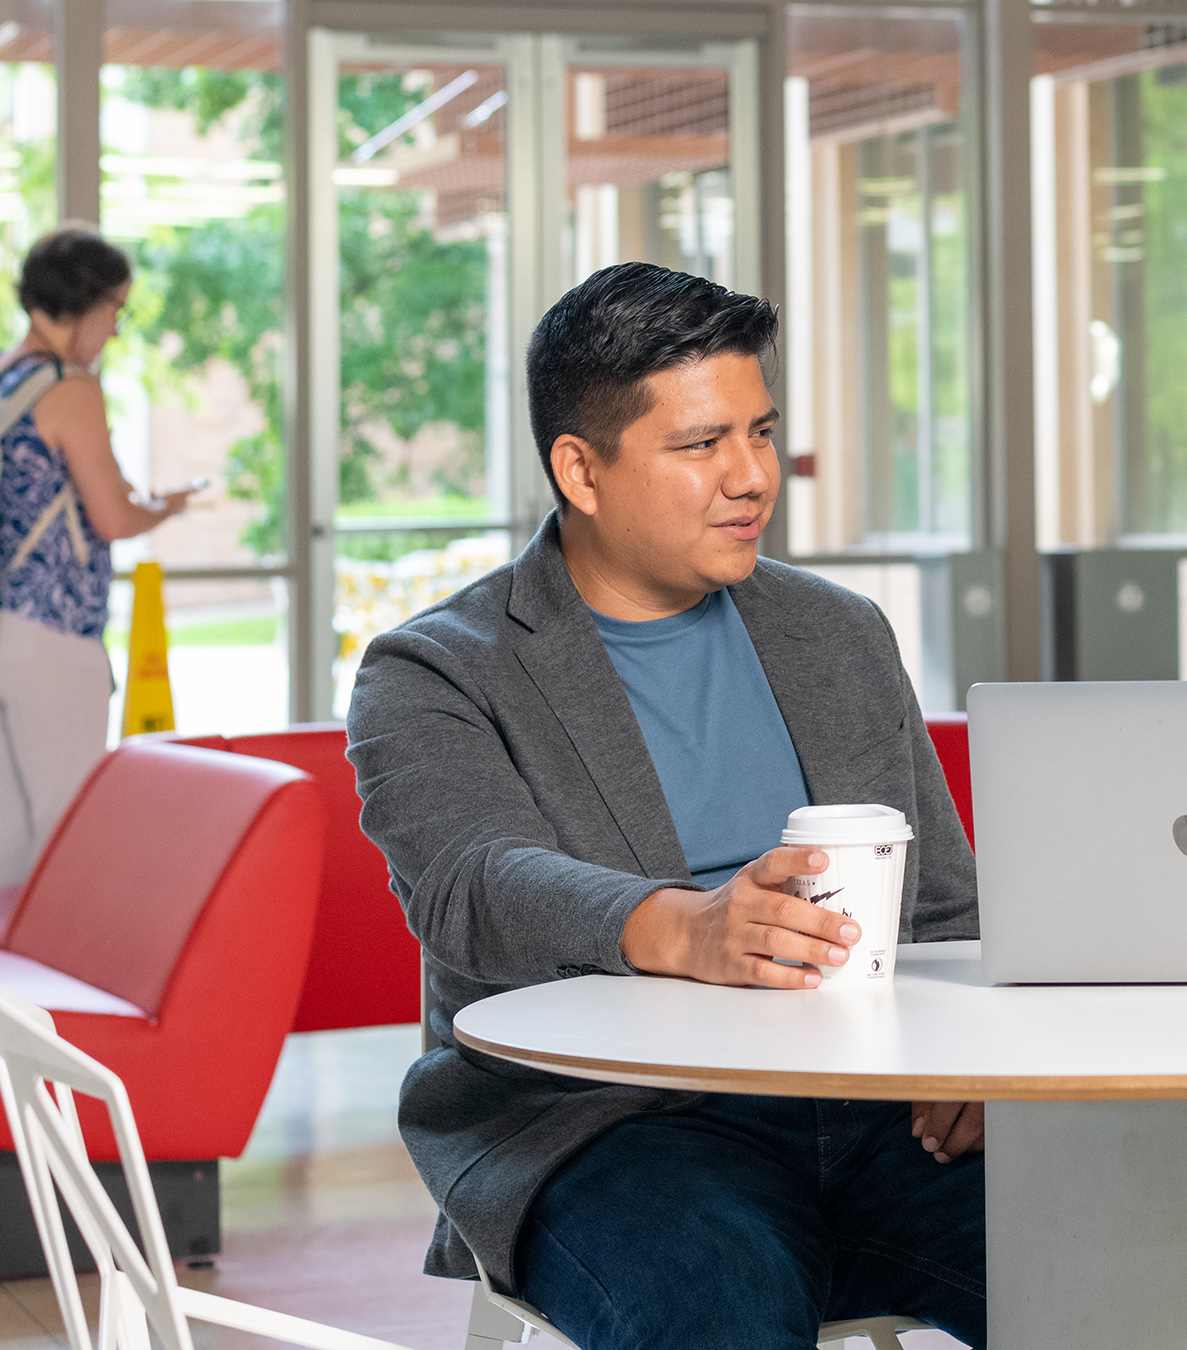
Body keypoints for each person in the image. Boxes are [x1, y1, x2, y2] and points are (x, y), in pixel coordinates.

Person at [347, 263, 983, 1349]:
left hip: (883, 1115)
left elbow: (942, 907)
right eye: (702, 446)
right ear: (581, 471)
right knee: (720, 1296)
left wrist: (976, 1067)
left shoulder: (839, 634)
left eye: (762, 432)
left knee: (1134, 1258)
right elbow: (471, 885)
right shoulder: (436, 670)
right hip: (614, 1126)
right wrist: (686, 927)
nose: (752, 478)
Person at [0, 225, 197, 886]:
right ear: (83, 301)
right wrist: (165, 507)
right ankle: (60, 985)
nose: (114, 328)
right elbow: (111, 517)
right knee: (65, 828)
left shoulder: (7, 378)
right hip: (51, 633)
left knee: (8, 835)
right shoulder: (69, 386)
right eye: (114, 307)